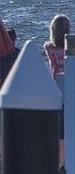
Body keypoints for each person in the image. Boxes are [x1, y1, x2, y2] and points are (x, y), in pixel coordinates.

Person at [0, 28, 19, 171]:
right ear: (15, 39)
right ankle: (14, 158)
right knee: (15, 131)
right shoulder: (20, 55)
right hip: (16, 102)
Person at [44, 14, 70, 172]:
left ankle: (60, 164)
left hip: (55, 91)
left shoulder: (49, 47)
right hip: (70, 89)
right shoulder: (71, 49)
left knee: (59, 131)